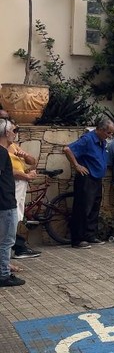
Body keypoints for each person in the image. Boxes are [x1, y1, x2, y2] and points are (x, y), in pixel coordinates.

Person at [64, 117, 114, 249]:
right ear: (101, 130)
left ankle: (89, 235)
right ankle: (77, 239)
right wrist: (76, 165)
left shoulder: (101, 141)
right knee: (82, 208)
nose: (110, 136)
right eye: (108, 133)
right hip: (87, 178)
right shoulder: (88, 139)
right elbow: (67, 149)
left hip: (97, 178)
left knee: (94, 208)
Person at [0, 109, 41, 260]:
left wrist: (25, 156)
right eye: (12, 129)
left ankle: (10, 255)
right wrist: (26, 175)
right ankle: (13, 253)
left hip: (18, 185)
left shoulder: (12, 145)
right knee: (10, 219)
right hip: (11, 185)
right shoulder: (1, 148)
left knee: (15, 218)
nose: (14, 131)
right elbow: (5, 172)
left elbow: (32, 161)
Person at [0, 117, 25, 287]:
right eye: (14, 131)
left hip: (4, 201)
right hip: (5, 202)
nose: (15, 135)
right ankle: (3, 274)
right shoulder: (2, 152)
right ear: (6, 132)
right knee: (7, 241)